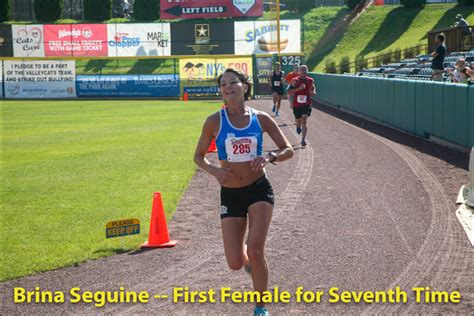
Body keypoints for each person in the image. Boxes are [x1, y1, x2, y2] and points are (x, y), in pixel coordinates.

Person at [193, 68, 294, 316]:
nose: (228, 87)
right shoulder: (214, 121)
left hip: (259, 189)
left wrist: (270, 156)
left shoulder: (260, 118)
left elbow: (288, 150)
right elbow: (198, 157)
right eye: (223, 84)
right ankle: (250, 263)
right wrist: (215, 171)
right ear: (221, 91)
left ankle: (260, 307)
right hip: (230, 194)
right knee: (235, 263)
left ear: (244, 86)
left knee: (256, 249)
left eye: (233, 82)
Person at [287, 65, 316, 147]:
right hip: (297, 104)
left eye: (305, 70)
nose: (304, 71)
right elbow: (289, 92)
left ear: (307, 71)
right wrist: (299, 89)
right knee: (298, 120)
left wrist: (313, 92)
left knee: (304, 119)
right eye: (302, 70)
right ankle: (298, 126)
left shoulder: (310, 80)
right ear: (299, 72)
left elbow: (313, 89)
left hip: (306, 104)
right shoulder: (295, 80)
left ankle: (303, 139)